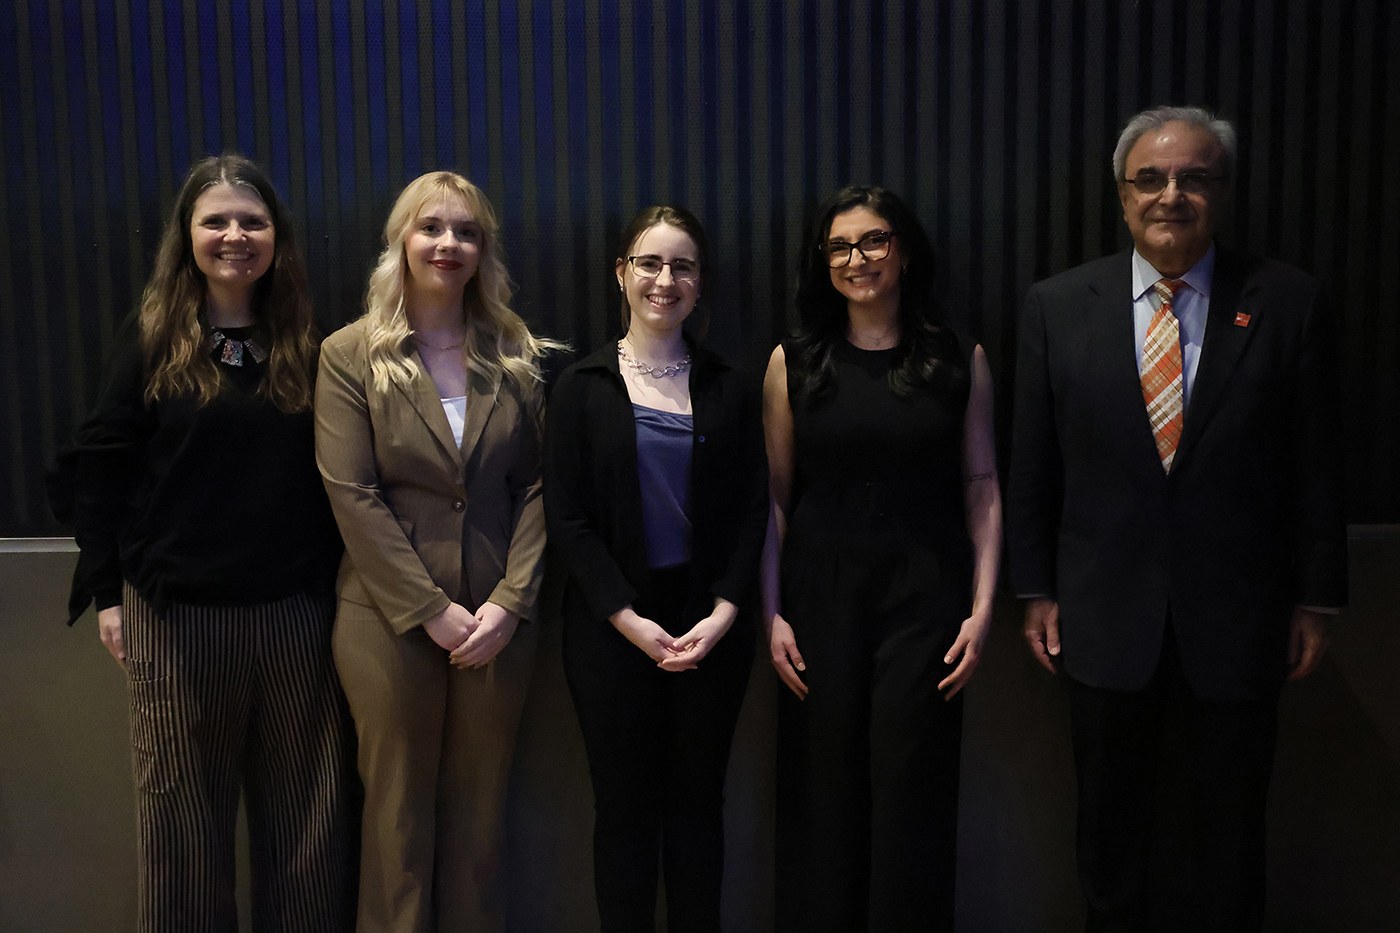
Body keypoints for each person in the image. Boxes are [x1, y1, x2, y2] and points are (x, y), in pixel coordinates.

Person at [1006, 105, 1348, 932]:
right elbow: (1032, 463)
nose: (1171, 195)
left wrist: (1317, 597)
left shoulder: (1287, 301)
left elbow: (1317, 462)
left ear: (1221, 192)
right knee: (1110, 834)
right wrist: (1035, 589)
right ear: (1122, 196)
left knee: (1229, 834)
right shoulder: (1058, 305)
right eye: (1151, 179)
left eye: (1194, 178)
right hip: (1100, 615)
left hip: (1241, 616)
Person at [57, 154, 355, 931]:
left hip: (296, 612)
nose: (234, 235)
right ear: (186, 235)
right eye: (215, 220)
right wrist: (106, 592)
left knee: (308, 820)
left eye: (252, 221)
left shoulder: (309, 340)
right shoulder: (150, 337)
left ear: (277, 236)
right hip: (174, 617)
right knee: (182, 826)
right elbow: (101, 465)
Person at [314, 171, 554, 932]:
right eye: (431, 228)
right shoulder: (350, 353)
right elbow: (352, 492)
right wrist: (429, 609)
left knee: (482, 821)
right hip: (387, 624)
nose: (449, 244)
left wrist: (511, 602)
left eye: (466, 232)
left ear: (484, 250)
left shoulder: (513, 351)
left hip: (498, 625)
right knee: (397, 821)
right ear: (401, 241)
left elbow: (541, 484)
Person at [762, 185, 1001, 932]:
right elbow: (774, 498)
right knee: (822, 791)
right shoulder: (794, 361)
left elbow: (982, 485)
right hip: (817, 596)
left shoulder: (958, 358)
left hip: (926, 595)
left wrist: (983, 609)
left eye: (873, 241)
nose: (857, 259)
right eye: (839, 246)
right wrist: (770, 612)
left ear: (903, 249)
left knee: (912, 791)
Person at [543, 205, 767, 933]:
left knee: (699, 809)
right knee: (624, 812)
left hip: (711, 629)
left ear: (700, 283)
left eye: (682, 267)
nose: (664, 280)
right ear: (621, 273)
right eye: (649, 263)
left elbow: (753, 511)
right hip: (611, 632)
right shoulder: (579, 386)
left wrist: (725, 613)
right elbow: (567, 519)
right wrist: (628, 619)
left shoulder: (732, 387)